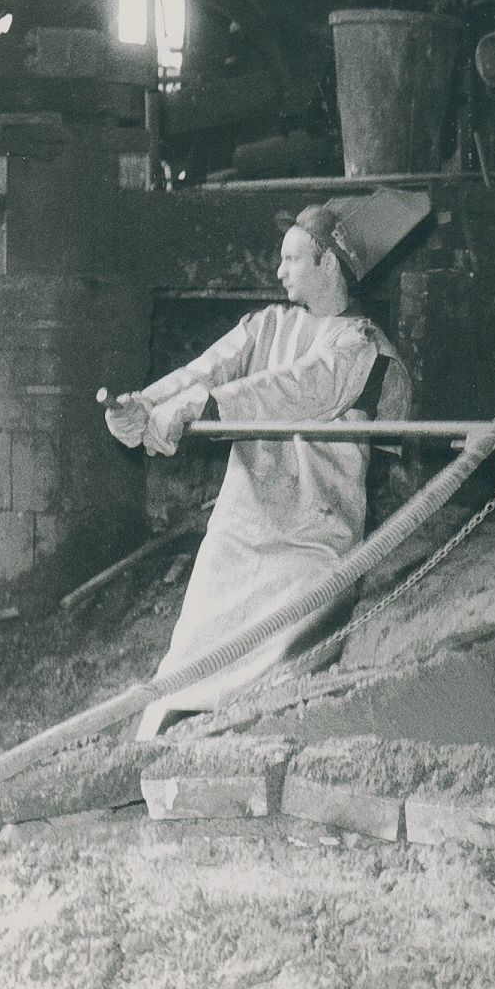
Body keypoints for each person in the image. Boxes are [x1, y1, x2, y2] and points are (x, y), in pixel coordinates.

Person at [107, 191, 426, 740]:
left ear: (328, 261)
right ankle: (155, 762)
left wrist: (207, 406)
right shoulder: (266, 326)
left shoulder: (362, 347)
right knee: (188, 668)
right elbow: (204, 371)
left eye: (292, 258)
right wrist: (146, 403)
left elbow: (296, 390)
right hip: (240, 531)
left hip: (310, 542)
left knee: (275, 678)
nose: (279, 271)